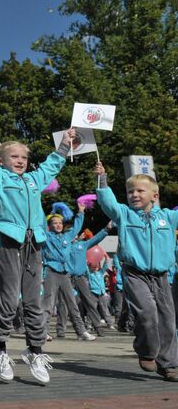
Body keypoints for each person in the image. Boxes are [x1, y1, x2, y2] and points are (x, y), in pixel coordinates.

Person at [0, 105, 74, 384]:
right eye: (13, 156)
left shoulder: (33, 180)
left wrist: (66, 144)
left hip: (35, 242)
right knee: (8, 297)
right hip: (10, 239)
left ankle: (35, 350)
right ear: (3, 160)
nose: (19, 160)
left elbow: (52, 165)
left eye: (23, 157)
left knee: (34, 300)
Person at [94, 162, 178, 380]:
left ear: (154, 195)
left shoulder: (168, 217)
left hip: (161, 276)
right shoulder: (124, 214)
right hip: (135, 274)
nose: (134, 194)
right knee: (147, 313)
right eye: (130, 191)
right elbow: (107, 202)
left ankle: (167, 363)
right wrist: (102, 179)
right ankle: (147, 352)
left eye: (140, 190)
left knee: (168, 320)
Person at [40, 204, 97, 341]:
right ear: (49, 225)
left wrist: (81, 211)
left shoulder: (67, 236)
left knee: (72, 303)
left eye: (60, 223)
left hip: (65, 274)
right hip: (51, 272)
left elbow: (77, 226)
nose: (58, 225)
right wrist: (37, 203)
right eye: (55, 223)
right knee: (48, 304)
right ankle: (43, 332)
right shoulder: (46, 236)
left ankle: (81, 331)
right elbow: (41, 221)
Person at [56, 224, 110, 337]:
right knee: (63, 303)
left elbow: (96, 239)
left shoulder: (83, 245)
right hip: (66, 276)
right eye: (69, 233)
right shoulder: (63, 245)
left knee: (89, 301)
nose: (72, 234)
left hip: (81, 277)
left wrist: (106, 229)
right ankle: (61, 329)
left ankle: (97, 327)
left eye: (73, 232)